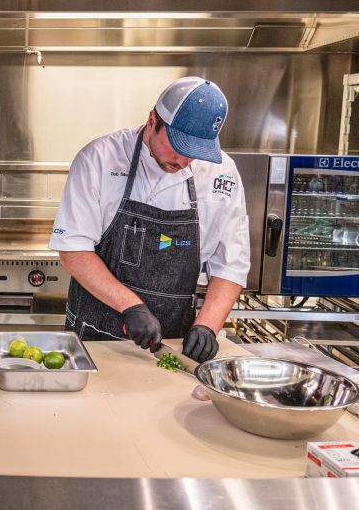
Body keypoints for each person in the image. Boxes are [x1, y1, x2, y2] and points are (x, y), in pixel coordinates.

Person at [50, 77, 250, 362]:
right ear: (153, 119)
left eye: (195, 152)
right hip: (96, 340)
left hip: (174, 343)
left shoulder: (222, 173)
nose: (183, 161)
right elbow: (73, 251)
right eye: (179, 146)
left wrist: (207, 325)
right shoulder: (99, 159)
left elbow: (231, 263)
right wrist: (131, 306)